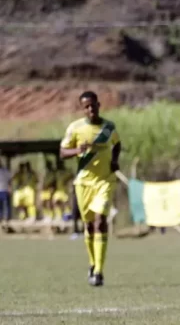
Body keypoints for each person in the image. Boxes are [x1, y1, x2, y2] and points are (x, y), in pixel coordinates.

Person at [60, 91, 122, 287]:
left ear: (98, 104)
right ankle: (92, 262)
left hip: (104, 181)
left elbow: (117, 144)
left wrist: (114, 161)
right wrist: (77, 150)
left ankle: (99, 272)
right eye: (86, 106)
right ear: (82, 109)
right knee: (88, 226)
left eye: (93, 105)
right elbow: (62, 152)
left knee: (100, 221)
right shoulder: (75, 128)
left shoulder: (108, 127)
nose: (90, 109)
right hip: (84, 183)